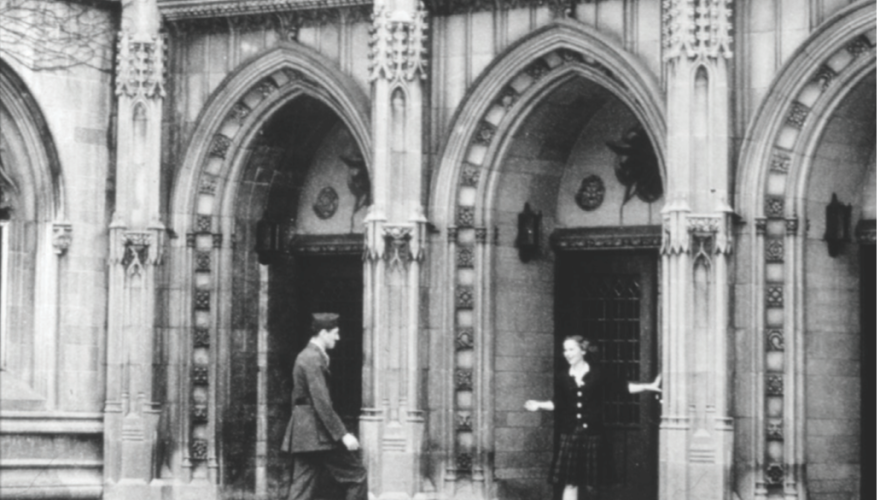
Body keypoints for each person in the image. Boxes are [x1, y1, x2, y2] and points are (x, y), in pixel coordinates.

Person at [525, 336, 661, 500]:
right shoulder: (562, 376)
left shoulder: (598, 373)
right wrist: (539, 405)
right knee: (570, 482)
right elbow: (557, 403)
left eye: (571, 349)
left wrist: (648, 386)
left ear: (582, 351)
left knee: (594, 484)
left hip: (594, 434)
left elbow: (623, 387)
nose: (567, 354)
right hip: (570, 435)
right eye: (565, 350)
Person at [282, 313, 368, 500]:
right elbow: (321, 402)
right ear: (323, 333)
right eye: (335, 333)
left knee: (301, 488)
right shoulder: (312, 358)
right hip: (318, 434)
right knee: (357, 476)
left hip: (306, 434)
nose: (338, 337)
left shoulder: (308, 356)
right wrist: (343, 434)